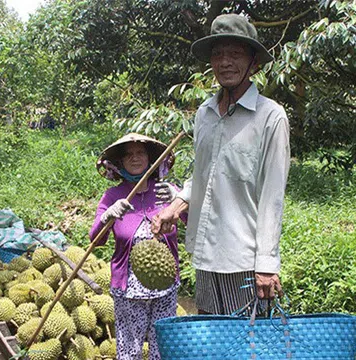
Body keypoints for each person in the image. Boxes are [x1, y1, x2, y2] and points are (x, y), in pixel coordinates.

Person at [151, 14, 290, 315]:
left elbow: (272, 196)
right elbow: (204, 175)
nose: (225, 62)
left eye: (235, 54)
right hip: (205, 254)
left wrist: (266, 265)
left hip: (244, 261)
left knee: (246, 346)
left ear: (254, 63)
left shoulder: (270, 117)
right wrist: (175, 207)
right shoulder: (205, 113)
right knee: (210, 338)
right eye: (218, 54)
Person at [89, 133, 186, 360]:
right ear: (120, 162)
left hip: (165, 287)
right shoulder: (112, 196)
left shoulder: (166, 190)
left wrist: (181, 201)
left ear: (150, 158)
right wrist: (107, 217)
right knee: (129, 349)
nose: (135, 158)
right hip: (129, 290)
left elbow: (195, 222)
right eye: (128, 155)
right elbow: (96, 239)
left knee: (161, 348)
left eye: (140, 153)